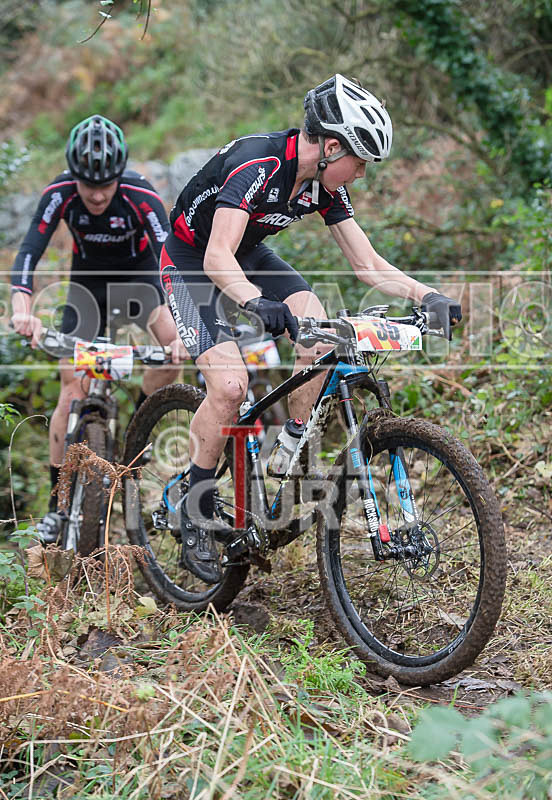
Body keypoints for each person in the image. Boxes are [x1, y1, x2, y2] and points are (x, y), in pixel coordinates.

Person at [160, 73, 462, 584]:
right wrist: (255, 302)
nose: (361, 173)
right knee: (229, 386)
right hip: (192, 259)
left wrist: (425, 295)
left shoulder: (324, 184)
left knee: (319, 331)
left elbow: (367, 263)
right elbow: (216, 256)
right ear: (331, 147)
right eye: (360, 161)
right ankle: (194, 504)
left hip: (248, 254)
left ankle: (293, 447)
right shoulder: (257, 164)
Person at [10, 114, 185, 542]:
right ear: (75, 175)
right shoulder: (60, 192)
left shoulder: (140, 193)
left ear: (119, 174)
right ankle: (56, 506)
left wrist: (184, 323)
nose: (98, 194)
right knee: (72, 386)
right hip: (87, 285)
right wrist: (21, 307)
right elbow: (30, 248)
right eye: (88, 185)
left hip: (139, 280)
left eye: (106, 184)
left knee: (173, 351)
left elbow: (171, 261)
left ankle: (136, 434)